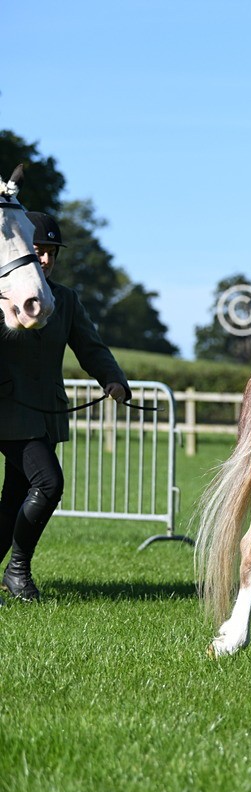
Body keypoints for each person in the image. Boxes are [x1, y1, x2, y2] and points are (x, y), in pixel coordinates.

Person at [0, 211, 129, 602]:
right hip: (8, 411)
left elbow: (90, 347)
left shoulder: (66, 300)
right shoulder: (5, 298)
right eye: (37, 250)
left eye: (50, 252)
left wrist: (113, 378)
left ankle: (15, 574)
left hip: (44, 413)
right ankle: (18, 571)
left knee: (14, 499)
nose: (44, 259)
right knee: (49, 483)